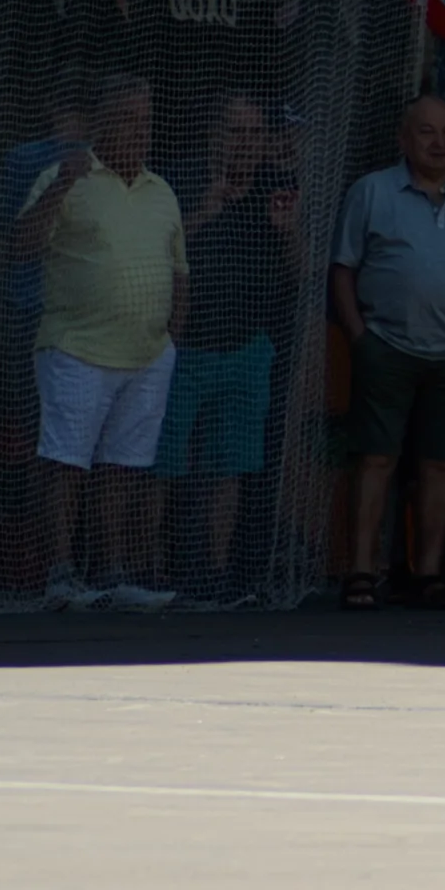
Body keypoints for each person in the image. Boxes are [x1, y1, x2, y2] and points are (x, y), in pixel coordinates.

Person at [330, 94, 445, 609]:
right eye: (427, 132)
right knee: (375, 459)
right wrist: (359, 337)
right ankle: (361, 572)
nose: (440, 142)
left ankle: (429, 573)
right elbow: (343, 268)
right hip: (386, 347)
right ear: (403, 139)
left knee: (441, 464)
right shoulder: (372, 191)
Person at [12, 73, 183, 609]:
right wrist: (61, 186)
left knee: (124, 465)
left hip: (147, 353)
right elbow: (20, 246)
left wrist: (170, 342)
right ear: (101, 123)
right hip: (76, 347)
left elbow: (180, 271)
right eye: (128, 119)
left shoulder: (162, 190)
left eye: (146, 120)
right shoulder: (64, 175)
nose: (140, 130)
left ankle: (114, 574)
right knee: (66, 460)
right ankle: (61, 575)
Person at [161, 92, 295, 597]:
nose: (248, 144)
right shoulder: (180, 180)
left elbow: (300, 271)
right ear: (214, 136)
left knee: (229, 466)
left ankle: (217, 576)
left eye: (256, 134)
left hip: (246, 350)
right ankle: (157, 567)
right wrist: (205, 210)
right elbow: (155, 255)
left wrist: (288, 233)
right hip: (184, 348)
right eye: (237, 132)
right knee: (166, 463)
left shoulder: (276, 185)